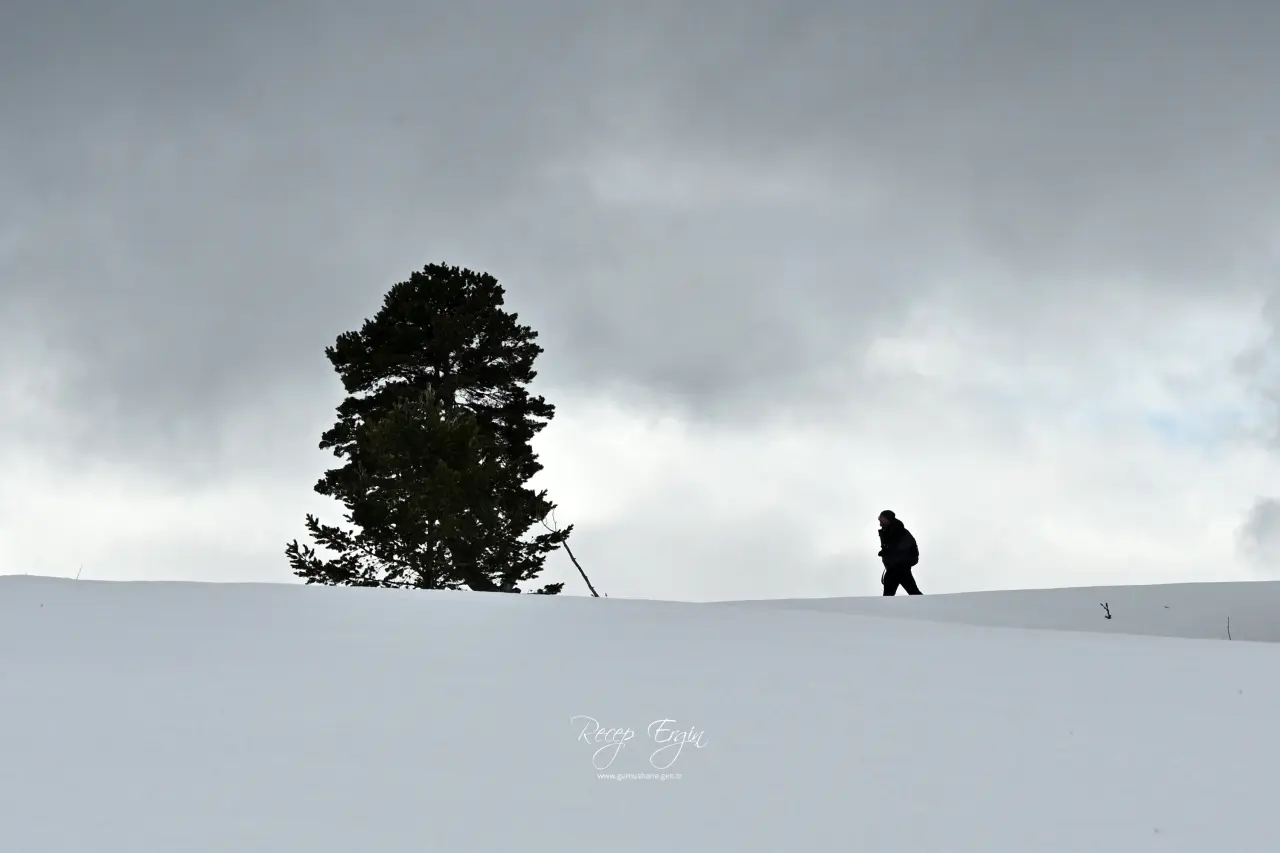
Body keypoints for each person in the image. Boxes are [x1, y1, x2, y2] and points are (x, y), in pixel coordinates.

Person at [877, 510, 922, 596]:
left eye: (882, 519)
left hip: (900, 568)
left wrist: (887, 551)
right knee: (889, 596)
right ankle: (929, 606)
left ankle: (930, 606)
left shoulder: (900, 532)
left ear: (888, 519)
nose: (880, 522)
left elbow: (903, 547)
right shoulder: (888, 531)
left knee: (913, 593)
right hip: (893, 568)